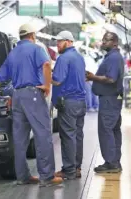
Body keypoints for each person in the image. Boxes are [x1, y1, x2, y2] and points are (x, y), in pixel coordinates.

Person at [0, 23, 63, 187]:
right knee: (42, 134)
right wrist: (47, 85)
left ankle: (22, 176)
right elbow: (47, 65)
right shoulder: (36, 49)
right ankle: (47, 176)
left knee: (20, 139)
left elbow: (0, 78)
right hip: (32, 94)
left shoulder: (12, 53)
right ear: (32, 35)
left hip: (17, 96)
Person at [86, 32, 124, 173]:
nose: (103, 42)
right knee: (113, 129)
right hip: (112, 98)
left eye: (106, 40)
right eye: (103, 40)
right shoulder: (113, 57)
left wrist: (93, 77)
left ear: (114, 42)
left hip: (109, 99)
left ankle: (111, 163)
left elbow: (111, 79)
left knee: (106, 129)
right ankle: (114, 161)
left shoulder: (114, 58)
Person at [51, 31, 87, 180]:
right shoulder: (79, 57)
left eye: (60, 41)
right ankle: (77, 168)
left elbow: (58, 80)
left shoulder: (63, 58)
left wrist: (45, 77)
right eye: (57, 41)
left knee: (68, 137)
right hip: (80, 102)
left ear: (69, 41)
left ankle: (69, 170)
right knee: (78, 136)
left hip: (68, 103)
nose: (57, 44)